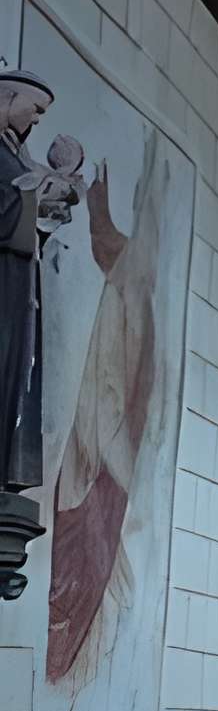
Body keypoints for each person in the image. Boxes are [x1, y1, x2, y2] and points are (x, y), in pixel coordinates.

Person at [1, 74, 85, 497]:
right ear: (10, 98)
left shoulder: (17, 152)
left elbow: (25, 208)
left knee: (15, 373)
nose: (37, 121)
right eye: (35, 109)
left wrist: (52, 197)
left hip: (17, 284)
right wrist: (34, 194)